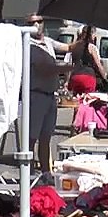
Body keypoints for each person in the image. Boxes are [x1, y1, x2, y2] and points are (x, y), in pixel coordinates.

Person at [26, 14, 70, 173]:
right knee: (30, 138)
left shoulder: (49, 42)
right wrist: (68, 69)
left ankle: (46, 172)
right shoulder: (28, 44)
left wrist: (84, 38)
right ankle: (28, 173)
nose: (36, 25)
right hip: (36, 95)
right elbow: (44, 69)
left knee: (46, 138)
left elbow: (68, 48)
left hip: (51, 95)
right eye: (32, 22)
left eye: (39, 21)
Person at [65, 24, 107, 95]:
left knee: (77, 100)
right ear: (91, 34)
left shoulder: (74, 47)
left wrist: (67, 81)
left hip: (75, 77)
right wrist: (105, 77)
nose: (95, 36)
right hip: (88, 77)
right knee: (88, 100)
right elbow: (98, 65)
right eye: (94, 34)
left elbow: (69, 65)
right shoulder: (91, 47)